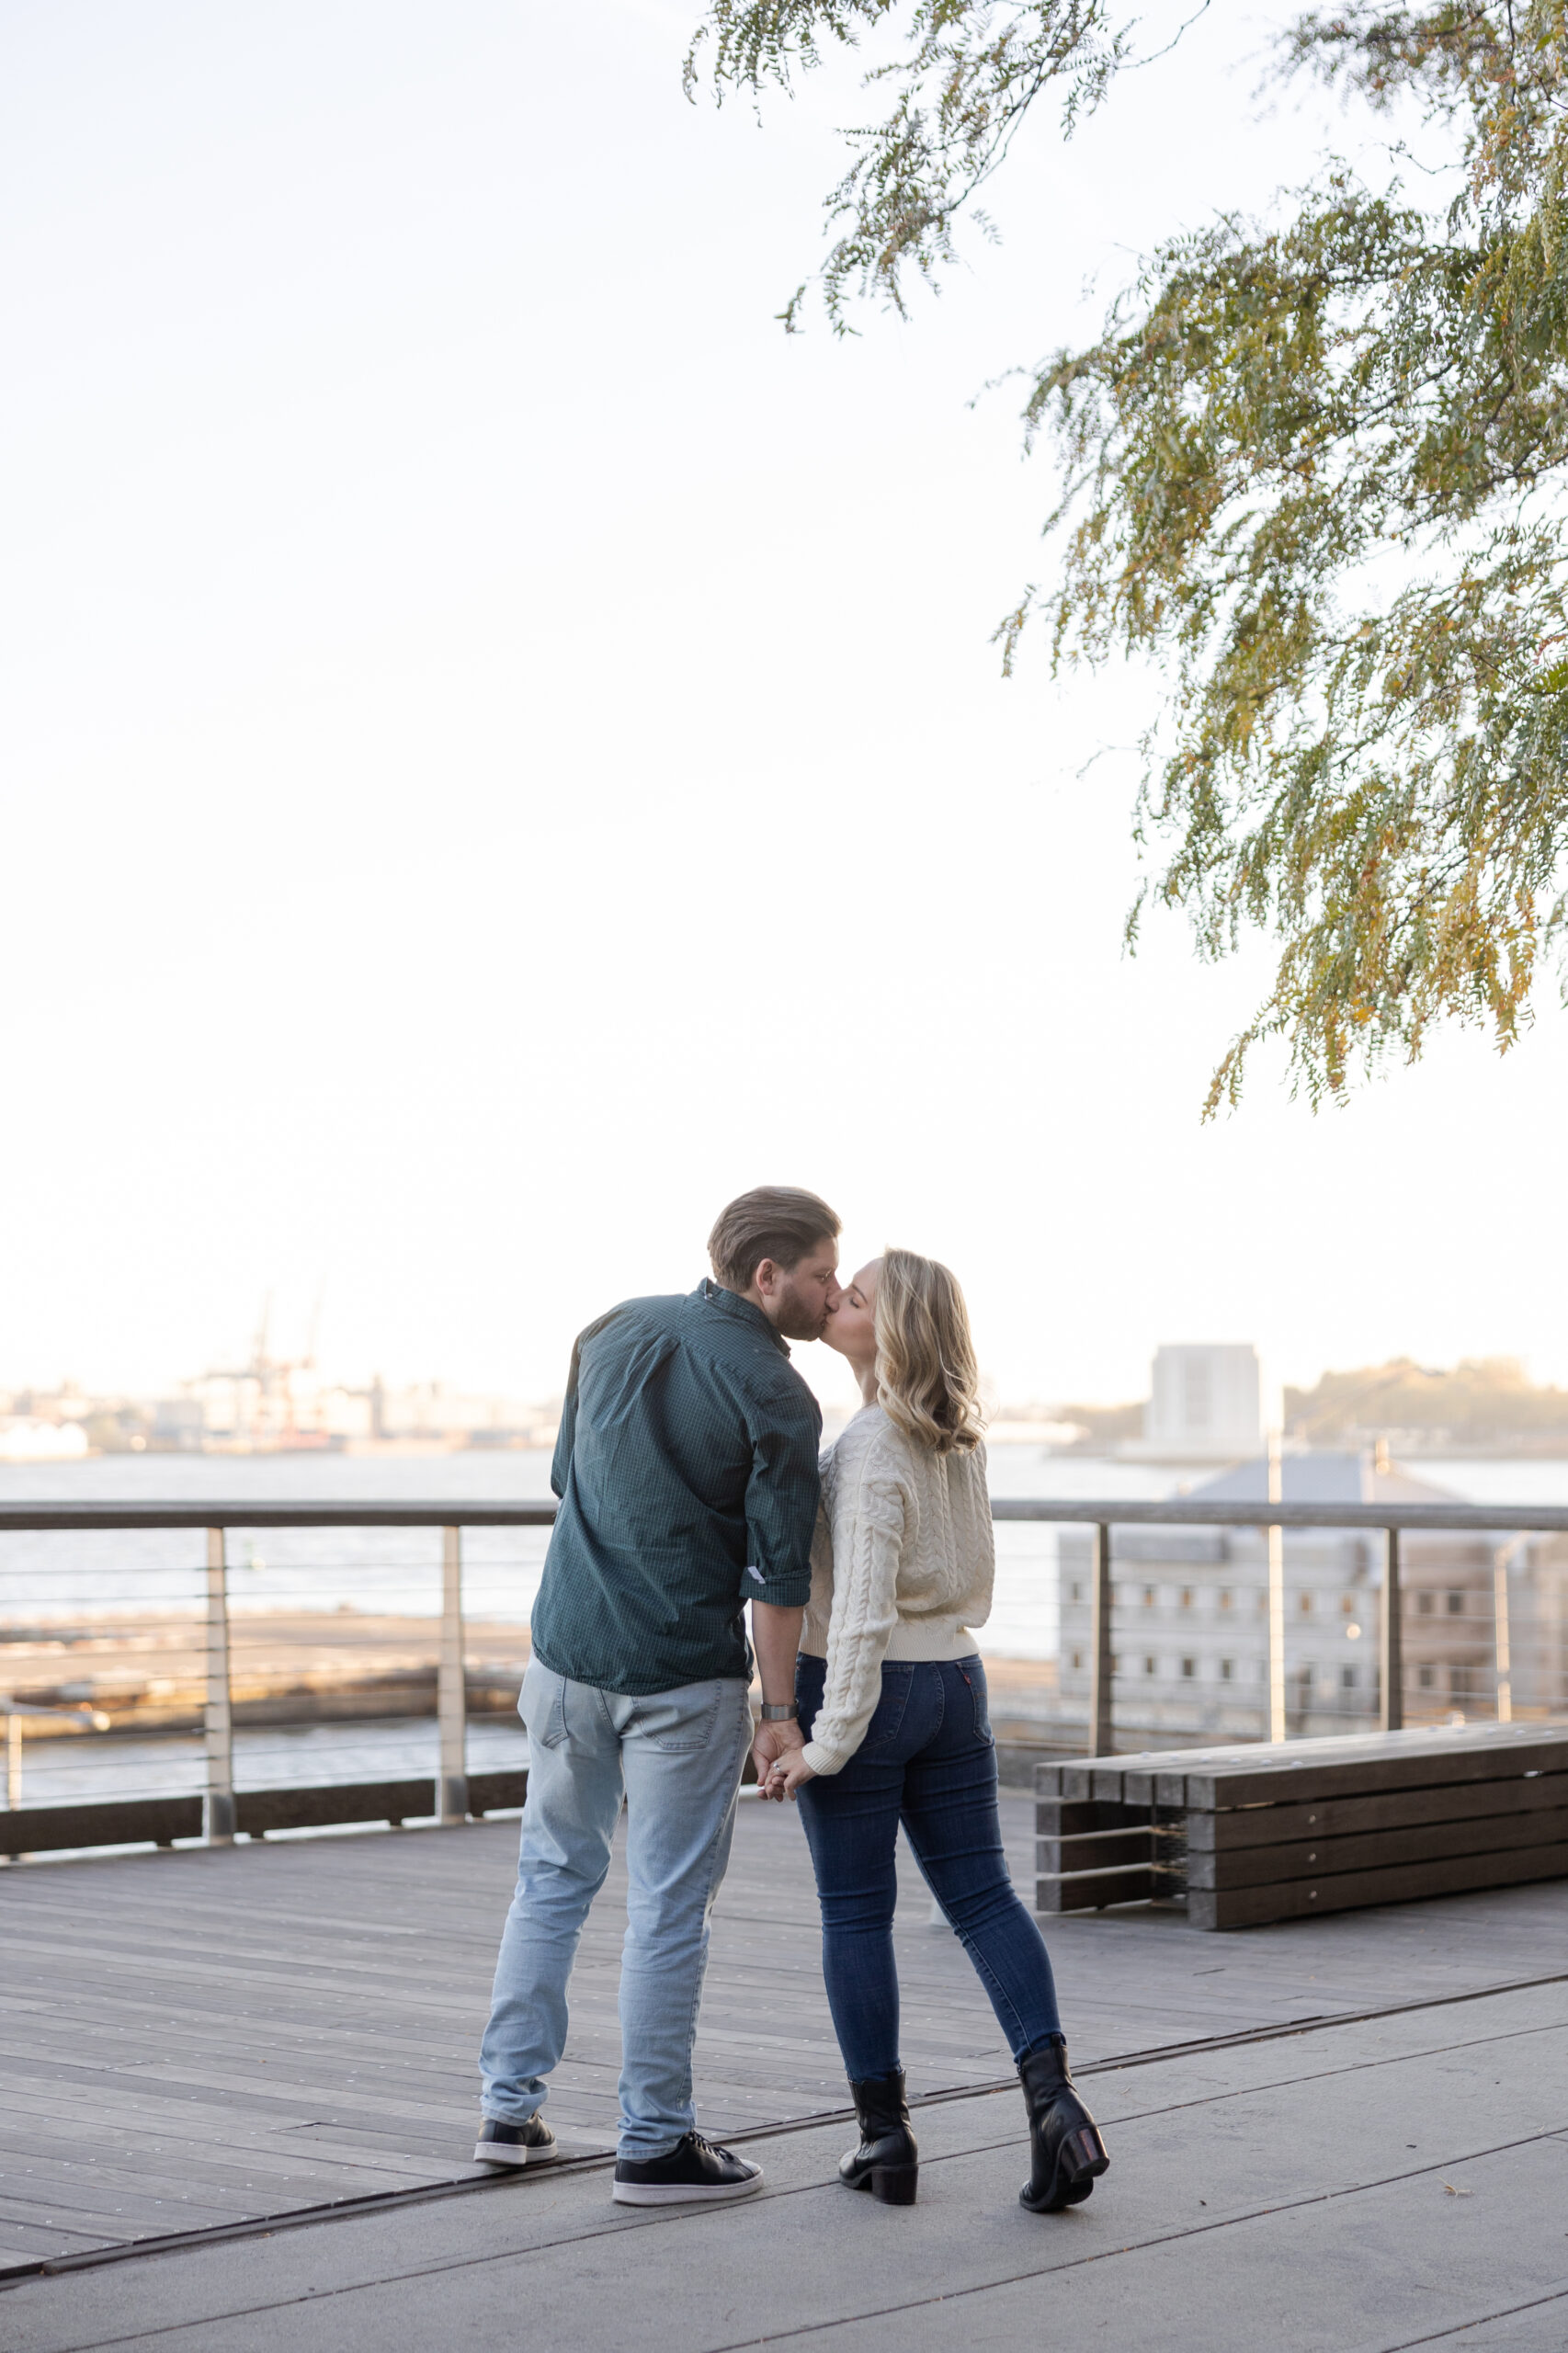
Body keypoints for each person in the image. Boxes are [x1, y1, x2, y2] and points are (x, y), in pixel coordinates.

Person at [474, 1187, 839, 2205]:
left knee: (549, 1876)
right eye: (817, 1275)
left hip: (564, 1657)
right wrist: (779, 1716)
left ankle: (507, 2111)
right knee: (669, 1907)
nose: (829, 1292)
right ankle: (654, 2142)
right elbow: (777, 1578)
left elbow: (566, 1478)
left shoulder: (608, 1328)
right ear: (766, 1277)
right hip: (679, 1678)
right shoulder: (776, 1393)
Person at [764, 1249, 1109, 2214]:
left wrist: (820, 1743)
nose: (837, 1299)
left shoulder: (872, 1443)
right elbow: (977, 1579)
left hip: (869, 1691)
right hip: (955, 1678)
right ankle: (1055, 2108)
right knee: (985, 1899)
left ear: (895, 1328)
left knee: (853, 1913)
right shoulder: (957, 1435)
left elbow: (864, 1610)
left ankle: (883, 2138)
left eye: (858, 1295)